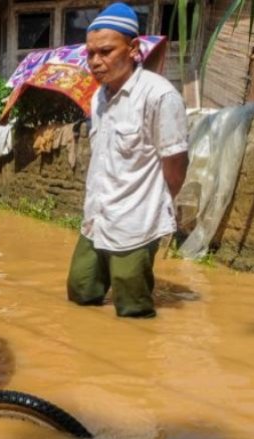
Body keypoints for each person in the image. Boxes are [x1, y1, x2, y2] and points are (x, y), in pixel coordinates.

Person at [66, 3, 188, 318]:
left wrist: (161, 206)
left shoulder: (159, 96)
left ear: (133, 48)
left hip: (137, 219)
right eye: (90, 53)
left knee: (132, 311)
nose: (95, 61)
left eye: (105, 51)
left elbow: (175, 162)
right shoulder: (99, 97)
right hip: (99, 214)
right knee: (81, 291)